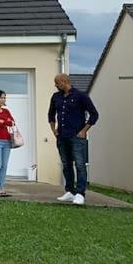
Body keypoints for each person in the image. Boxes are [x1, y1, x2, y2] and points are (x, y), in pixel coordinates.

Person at [48, 73, 99, 206]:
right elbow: (51, 114)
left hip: (77, 136)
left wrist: (84, 131)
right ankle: (70, 191)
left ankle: (80, 193)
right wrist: (54, 130)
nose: (55, 85)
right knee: (66, 164)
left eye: (57, 83)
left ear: (65, 81)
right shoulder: (56, 97)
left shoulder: (81, 96)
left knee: (80, 165)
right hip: (62, 137)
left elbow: (94, 114)